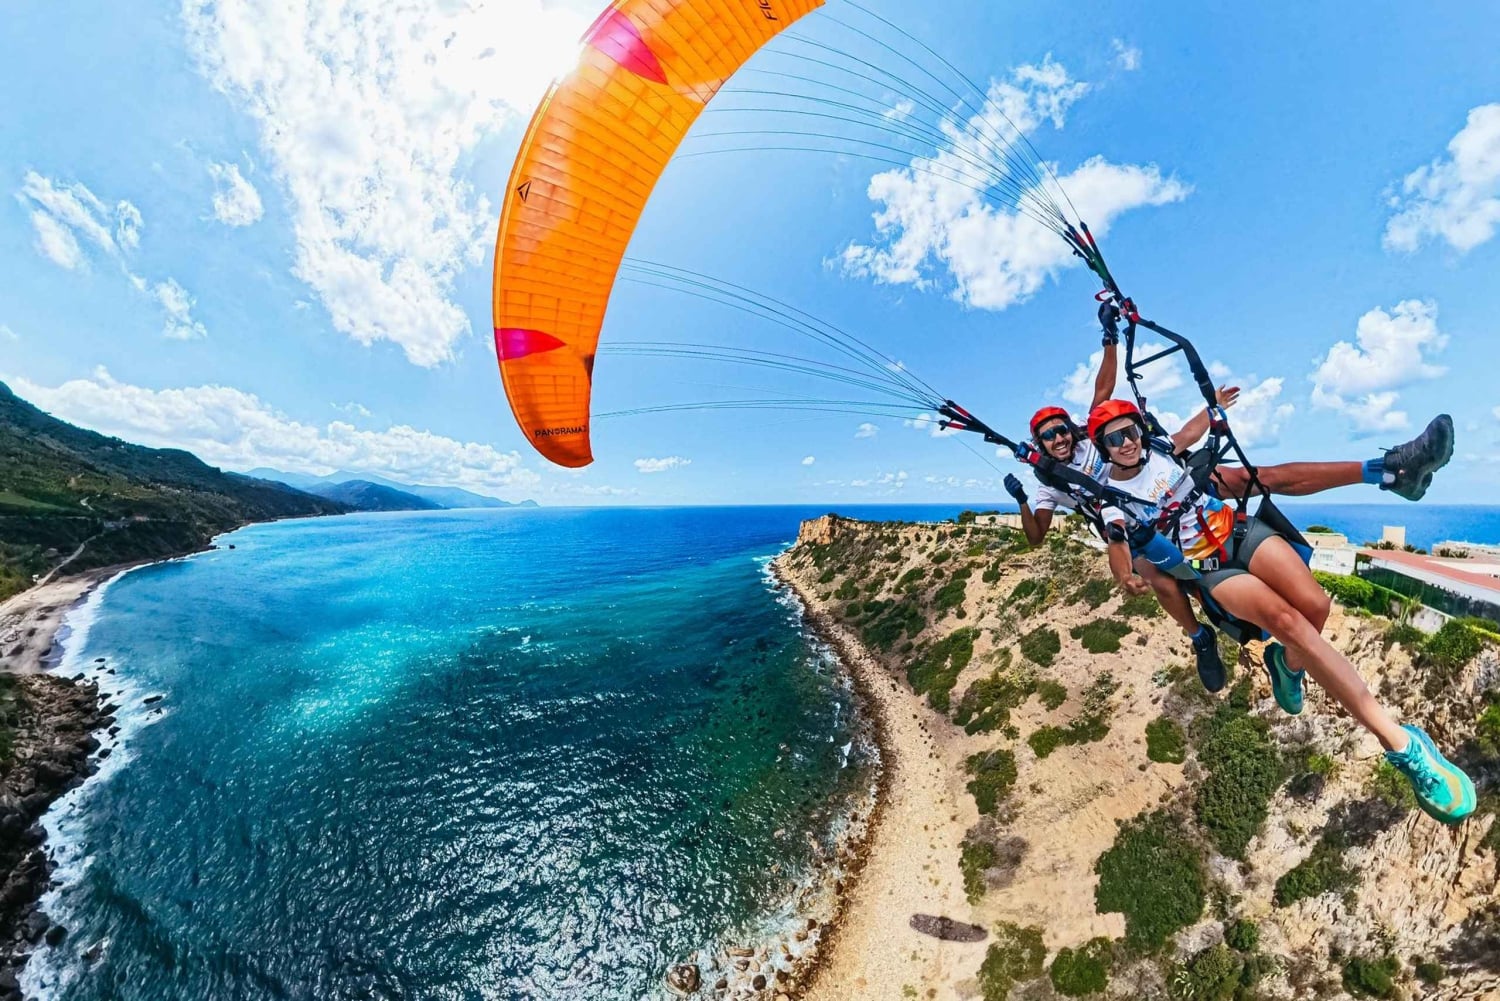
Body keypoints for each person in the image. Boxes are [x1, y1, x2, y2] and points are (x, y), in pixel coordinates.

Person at [1005, 320, 1455, 691]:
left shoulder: (1100, 437)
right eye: (1049, 437)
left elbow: (1114, 397)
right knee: (1160, 577)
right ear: (1040, 445)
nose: (1059, 438)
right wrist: (1026, 500)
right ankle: (1200, 637)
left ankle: (1389, 471)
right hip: (1136, 519)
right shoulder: (1052, 482)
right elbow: (1048, 535)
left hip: (1171, 484)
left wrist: (1111, 338)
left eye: (1062, 429)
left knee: (1255, 477)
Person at [1087, 398, 1475, 825]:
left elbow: (1190, 433)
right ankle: (1403, 746)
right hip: (1210, 568)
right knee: (1290, 624)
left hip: (1238, 532)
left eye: (1130, 432)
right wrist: (1124, 574)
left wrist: (1213, 407)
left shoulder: (1162, 450)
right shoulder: (1111, 497)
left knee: (1316, 606)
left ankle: (1286, 667)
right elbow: (1117, 540)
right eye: (1114, 439)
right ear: (1103, 448)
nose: (1126, 443)